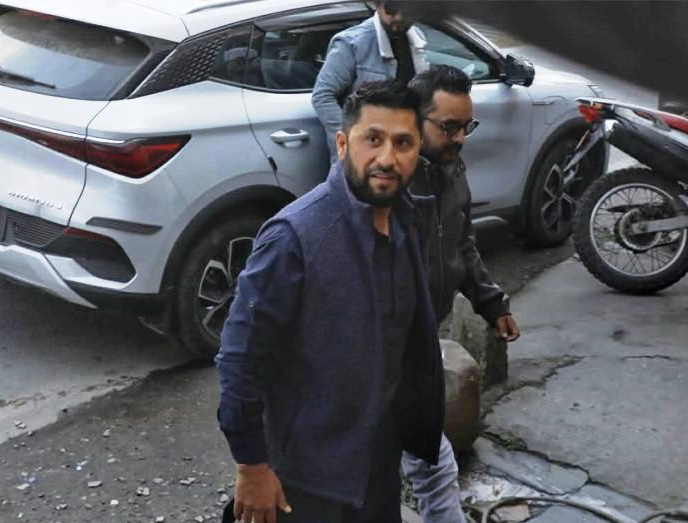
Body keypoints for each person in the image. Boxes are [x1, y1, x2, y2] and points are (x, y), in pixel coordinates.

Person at [216, 80, 444, 523]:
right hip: (305, 479)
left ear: (418, 151)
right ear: (342, 144)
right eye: (372, 139)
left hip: (377, 466)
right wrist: (252, 466)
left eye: (403, 143)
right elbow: (240, 359)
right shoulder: (295, 236)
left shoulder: (409, 220)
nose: (387, 158)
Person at [401, 65, 522, 523]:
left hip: (425, 338)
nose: (459, 139)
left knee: (429, 463)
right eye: (448, 127)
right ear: (415, 120)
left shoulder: (451, 167)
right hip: (382, 347)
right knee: (415, 462)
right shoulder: (390, 179)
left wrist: (491, 302)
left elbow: (461, 241)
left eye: (465, 127)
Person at [312, 0, 428, 160]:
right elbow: (322, 96)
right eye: (392, 8)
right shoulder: (352, 42)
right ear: (377, 4)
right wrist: (354, 137)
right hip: (360, 154)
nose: (400, 17)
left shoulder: (417, 39)